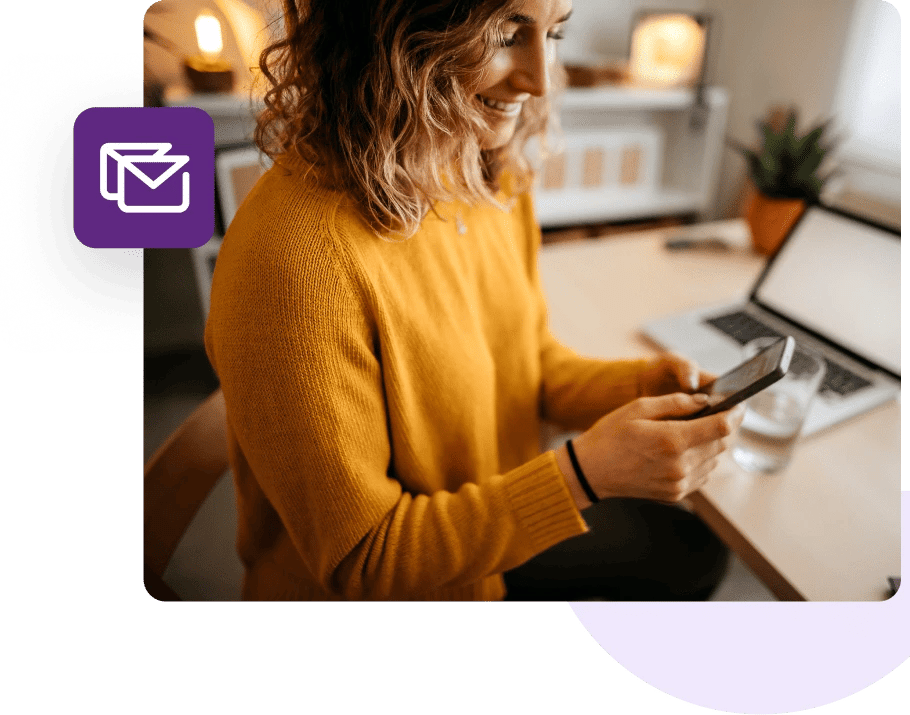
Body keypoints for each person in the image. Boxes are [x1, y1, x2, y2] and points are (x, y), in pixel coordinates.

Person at [205, 0, 742, 601]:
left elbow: (527, 366)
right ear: (393, 36)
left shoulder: (485, 173)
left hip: (489, 528)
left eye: (554, 33)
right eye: (506, 36)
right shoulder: (292, 263)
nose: (540, 81)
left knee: (693, 552)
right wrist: (583, 475)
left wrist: (642, 388)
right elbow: (365, 560)